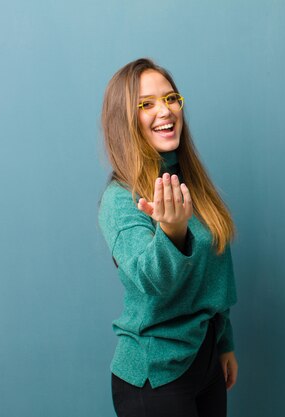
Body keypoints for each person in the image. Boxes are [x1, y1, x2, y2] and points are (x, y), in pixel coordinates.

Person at [98, 58, 238, 417]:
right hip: (155, 376)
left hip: (205, 361)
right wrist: (172, 234)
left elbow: (214, 268)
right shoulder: (120, 199)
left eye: (171, 98)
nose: (165, 110)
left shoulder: (191, 181)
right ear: (124, 119)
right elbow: (149, 281)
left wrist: (224, 342)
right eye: (146, 103)